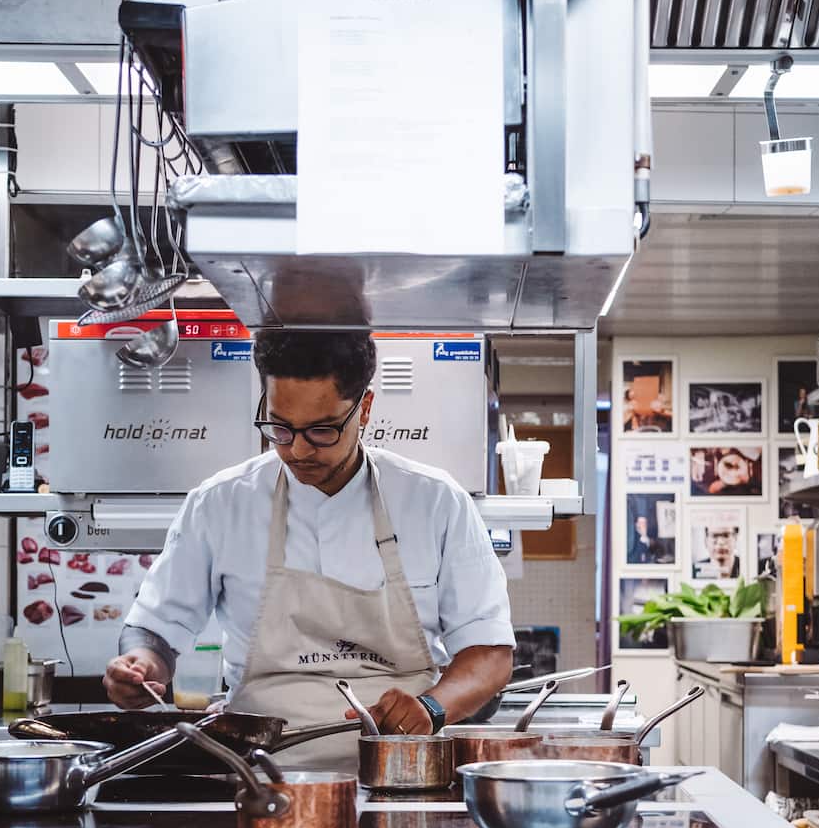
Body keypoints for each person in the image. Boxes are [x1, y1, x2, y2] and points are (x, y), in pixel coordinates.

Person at [103, 329, 515, 768]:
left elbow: (489, 653)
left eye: (322, 430)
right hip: (258, 773)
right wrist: (142, 666)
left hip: (404, 770)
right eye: (280, 428)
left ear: (365, 409)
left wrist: (431, 707)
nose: (298, 450)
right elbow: (156, 630)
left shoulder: (435, 500)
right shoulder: (221, 503)